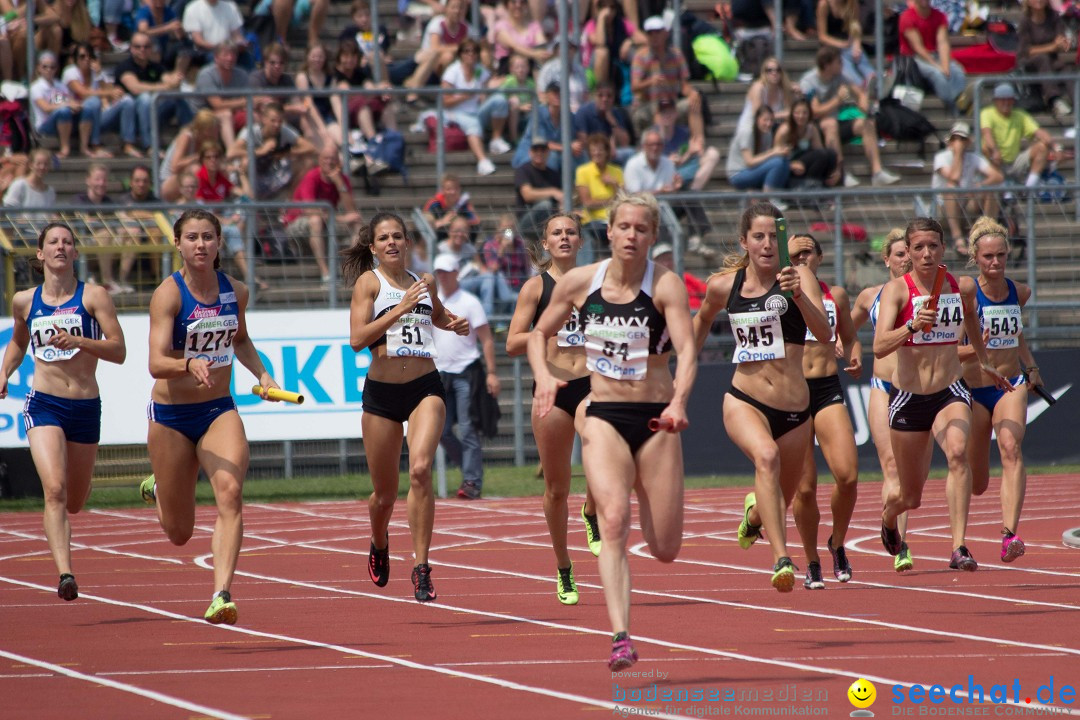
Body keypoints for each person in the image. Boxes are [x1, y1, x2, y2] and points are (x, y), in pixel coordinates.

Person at [527, 191, 697, 670]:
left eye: (641, 229)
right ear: (609, 231)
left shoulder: (665, 287)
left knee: (665, 548)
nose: (631, 236)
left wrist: (680, 401)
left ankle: (647, 487)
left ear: (653, 236)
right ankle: (621, 635)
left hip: (656, 418)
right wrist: (543, 375)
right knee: (614, 521)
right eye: (624, 226)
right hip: (602, 415)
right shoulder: (582, 282)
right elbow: (538, 333)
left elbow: (685, 350)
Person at [139, 209, 280, 623]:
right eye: (192, 238)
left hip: (219, 409)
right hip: (170, 415)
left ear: (219, 243)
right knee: (179, 533)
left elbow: (241, 339)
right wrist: (188, 364)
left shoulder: (235, 291)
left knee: (231, 493)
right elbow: (154, 361)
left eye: (208, 237)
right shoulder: (169, 294)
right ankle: (160, 490)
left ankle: (222, 593)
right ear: (178, 244)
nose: (200, 244)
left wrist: (263, 374)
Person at [692, 203, 831, 592]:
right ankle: (782, 560)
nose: (768, 244)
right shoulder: (725, 285)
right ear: (744, 242)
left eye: (774, 236)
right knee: (765, 457)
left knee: (780, 499)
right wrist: (680, 363)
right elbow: (701, 320)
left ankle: (753, 517)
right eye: (759, 237)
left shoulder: (799, 276)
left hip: (795, 410)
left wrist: (799, 295)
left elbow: (824, 335)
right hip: (744, 399)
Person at [873, 217, 1011, 572]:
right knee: (910, 497)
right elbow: (878, 346)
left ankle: (958, 546)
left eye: (933, 246)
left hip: (950, 388)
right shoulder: (897, 291)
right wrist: (911, 325)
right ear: (909, 251)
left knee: (958, 453)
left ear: (943, 249)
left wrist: (985, 362)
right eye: (918, 247)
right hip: (908, 396)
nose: (926, 253)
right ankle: (889, 517)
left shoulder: (958, 286)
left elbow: (973, 325)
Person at [343, 212, 469, 602]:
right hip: (381, 394)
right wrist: (397, 310)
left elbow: (436, 314)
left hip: (424, 387)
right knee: (384, 495)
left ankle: (421, 567)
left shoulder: (424, 282)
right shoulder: (369, 283)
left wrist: (453, 323)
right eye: (384, 238)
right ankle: (379, 542)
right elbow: (357, 340)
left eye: (398, 236)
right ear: (373, 246)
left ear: (409, 242)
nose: (392, 243)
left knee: (419, 470)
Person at [0, 222, 126, 602]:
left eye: (67, 242)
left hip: (85, 404)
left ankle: (68, 551)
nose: (60, 247)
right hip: (44, 403)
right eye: (53, 242)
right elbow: (19, 344)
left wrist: (80, 340)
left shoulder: (94, 297)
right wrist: (4, 371)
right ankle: (65, 574)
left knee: (75, 500)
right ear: (39, 254)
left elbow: (119, 350)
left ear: (74, 253)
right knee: (54, 490)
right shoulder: (24, 301)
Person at [507, 213, 600, 604]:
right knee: (556, 490)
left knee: (600, 447)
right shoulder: (536, 288)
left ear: (580, 241)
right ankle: (564, 567)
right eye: (556, 233)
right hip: (551, 389)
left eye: (570, 232)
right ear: (545, 244)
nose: (564, 237)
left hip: (593, 383)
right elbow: (513, 343)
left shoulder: (599, 283)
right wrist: (548, 331)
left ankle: (592, 509)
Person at [959, 217, 1043, 563]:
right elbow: (953, 347)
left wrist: (1031, 366)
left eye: (1001, 256)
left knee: (1011, 447)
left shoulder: (1019, 291)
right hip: (974, 388)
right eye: (988, 257)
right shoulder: (966, 293)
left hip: (1011, 384)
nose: (995, 263)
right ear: (975, 258)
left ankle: (1010, 534)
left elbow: (1017, 333)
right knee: (978, 481)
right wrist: (978, 351)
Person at [787, 233, 860, 589]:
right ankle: (812, 559)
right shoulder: (780, 296)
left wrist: (854, 350)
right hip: (794, 392)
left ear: (819, 255)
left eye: (807, 251)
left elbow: (849, 335)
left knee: (846, 475)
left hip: (827, 386)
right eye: (794, 253)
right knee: (804, 488)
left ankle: (837, 542)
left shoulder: (837, 295)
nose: (801, 257)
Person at [850, 228, 918, 571]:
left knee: (911, 474)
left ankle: (891, 521)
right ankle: (901, 545)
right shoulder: (870, 296)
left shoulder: (923, 296)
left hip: (918, 389)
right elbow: (847, 329)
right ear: (886, 259)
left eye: (910, 252)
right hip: (883, 385)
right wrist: (852, 349)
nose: (906, 258)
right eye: (900, 254)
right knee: (890, 466)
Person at [432, 254, 500, 499]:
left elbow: (487, 339)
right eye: (439, 271)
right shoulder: (433, 300)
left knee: (469, 428)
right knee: (442, 431)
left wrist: (491, 373)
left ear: (456, 272)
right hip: (440, 373)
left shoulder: (470, 302)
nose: (442, 276)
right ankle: (470, 471)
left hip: (466, 371)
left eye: (447, 271)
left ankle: (472, 480)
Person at [799, 46, 900, 188]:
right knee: (830, 123)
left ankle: (877, 172)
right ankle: (840, 172)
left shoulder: (840, 76)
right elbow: (814, 112)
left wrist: (865, 106)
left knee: (866, 123)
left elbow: (860, 93)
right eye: (838, 62)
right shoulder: (809, 81)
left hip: (836, 123)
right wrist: (837, 100)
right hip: (815, 129)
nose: (842, 64)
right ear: (827, 65)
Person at [283, 145, 363, 283]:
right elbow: (310, 210)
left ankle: (353, 269)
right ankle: (325, 273)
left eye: (333, 158)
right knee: (315, 220)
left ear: (338, 161)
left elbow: (352, 211)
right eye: (326, 158)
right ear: (319, 160)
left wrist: (339, 184)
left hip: (327, 221)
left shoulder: (341, 178)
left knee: (357, 223)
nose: (329, 162)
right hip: (297, 222)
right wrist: (341, 218)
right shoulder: (312, 176)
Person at [932, 121, 1003, 256]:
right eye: (955, 138)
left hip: (966, 204)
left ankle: (987, 232)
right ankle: (958, 238)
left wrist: (979, 186)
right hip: (942, 209)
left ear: (968, 142)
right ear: (950, 141)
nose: (959, 142)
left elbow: (997, 176)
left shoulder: (974, 158)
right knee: (950, 189)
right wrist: (958, 154)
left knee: (989, 191)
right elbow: (954, 177)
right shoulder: (941, 157)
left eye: (962, 139)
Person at [440, 38, 509, 176]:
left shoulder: (480, 70)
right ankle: (482, 160)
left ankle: (495, 139)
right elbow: (444, 101)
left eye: (474, 51)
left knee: (500, 99)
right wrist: (465, 96)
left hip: (476, 111)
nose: (471, 54)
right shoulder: (452, 71)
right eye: (467, 51)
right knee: (473, 123)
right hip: (455, 113)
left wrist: (493, 87)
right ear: (461, 54)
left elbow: (487, 85)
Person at [979, 83, 1055, 190]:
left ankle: (1029, 188)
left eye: (1009, 99)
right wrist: (995, 150)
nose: (1006, 103)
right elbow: (986, 133)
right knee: (986, 148)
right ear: (995, 101)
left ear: (1013, 101)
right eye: (1002, 99)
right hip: (994, 160)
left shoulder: (1020, 114)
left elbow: (1039, 132)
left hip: (1014, 161)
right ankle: (1002, 186)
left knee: (1042, 147)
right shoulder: (987, 113)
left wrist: (1056, 147)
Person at [897, 0, 967, 109]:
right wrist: (937, 66)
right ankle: (952, 103)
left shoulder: (940, 16)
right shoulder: (906, 17)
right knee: (937, 74)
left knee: (958, 72)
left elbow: (943, 42)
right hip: (913, 58)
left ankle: (962, 100)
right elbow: (918, 48)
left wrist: (945, 66)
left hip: (935, 54)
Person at [1015, 0, 1073, 119]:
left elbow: (1060, 41)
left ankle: (1077, 100)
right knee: (1042, 59)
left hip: (1051, 60)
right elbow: (1026, 51)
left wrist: (1063, 44)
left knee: (1065, 68)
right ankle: (1054, 100)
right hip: (1029, 62)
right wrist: (1052, 46)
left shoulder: (1054, 17)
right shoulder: (1025, 21)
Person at [726, 106, 791, 205]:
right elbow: (750, 162)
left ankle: (773, 195)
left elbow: (764, 159)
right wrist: (774, 152)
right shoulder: (747, 132)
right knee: (777, 162)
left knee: (784, 161)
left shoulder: (767, 134)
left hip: (753, 172)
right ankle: (768, 199)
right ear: (757, 119)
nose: (768, 124)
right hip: (738, 174)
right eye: (765, 120)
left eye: (771, 120)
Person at [575, 133, 624, 264]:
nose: (596, 153)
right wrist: (611, 200)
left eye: (600, 149)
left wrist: (614, 184)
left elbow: (624, 200)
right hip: (593, 220)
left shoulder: (617, 171)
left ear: (607, 152)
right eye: (593, 150)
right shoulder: (583, 171)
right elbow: (588, 202)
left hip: (614, 219)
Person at [774, 98, 840, 189]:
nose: (801, 116)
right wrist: (791, 165)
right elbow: (775, 157)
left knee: (831, 154)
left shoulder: (811, 128)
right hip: (788, 164)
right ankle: (811, 187)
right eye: (797, 113)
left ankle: (818, 184)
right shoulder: (784, 130)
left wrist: (835, 169)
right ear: (792, 114)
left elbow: (820, 151)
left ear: (809, 114)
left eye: (804, 113)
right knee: (822, 155)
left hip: (804, 162)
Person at [816, 0, 875, 88]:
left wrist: (857, 44)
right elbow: (822, 36)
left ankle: (873, 78)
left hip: (848, 42)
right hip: (830, 45)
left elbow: (855, 26)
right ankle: (861, 85)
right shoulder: (824, 4)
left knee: (859, 55)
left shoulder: (852, 3)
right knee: (843, 62)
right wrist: (841, 44)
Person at [734, 58, 796, 135]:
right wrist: (778, 115)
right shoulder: (758, 88)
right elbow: (758, 115)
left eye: (778, 70)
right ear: (764, 73)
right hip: (750, 128)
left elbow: (791, 113)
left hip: (770, 127)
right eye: (770, 70)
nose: (774, 73)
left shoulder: (783, 90)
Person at [650, 243, 707, 311]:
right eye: (662, 260)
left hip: (695, 314)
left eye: (669, 259)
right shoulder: (652, 282)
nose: (666, 263)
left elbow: (706, 291)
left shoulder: (685, 277)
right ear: (654, 263)